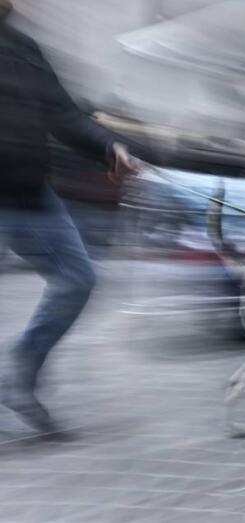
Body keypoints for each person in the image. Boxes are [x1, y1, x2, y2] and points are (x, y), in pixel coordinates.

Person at [0, 0, 143, 431]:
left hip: (28, 191)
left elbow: (62, 112)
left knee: (77, 280)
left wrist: (107, 146)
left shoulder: (21, 45)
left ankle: (18, 376)